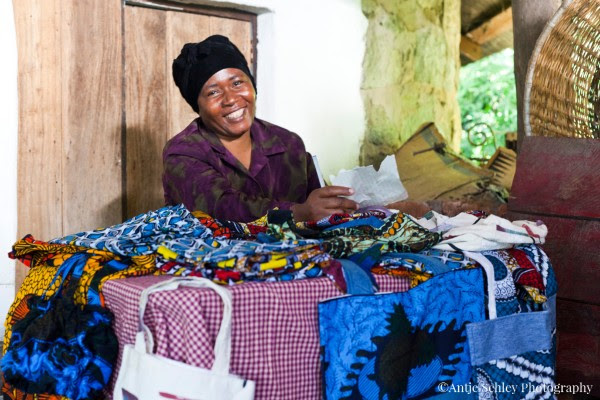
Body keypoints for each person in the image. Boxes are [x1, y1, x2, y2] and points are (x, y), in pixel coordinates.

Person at [163, 35, 358, 222]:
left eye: (237, 83)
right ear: (198, 105)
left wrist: (364, 206)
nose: (230, 99)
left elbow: (320, 202)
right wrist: (297, 213)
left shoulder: (288, 144)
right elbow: (222, 208)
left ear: (253, 86)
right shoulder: (183, 153)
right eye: (213, 92)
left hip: (296, 253)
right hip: (214, 254)